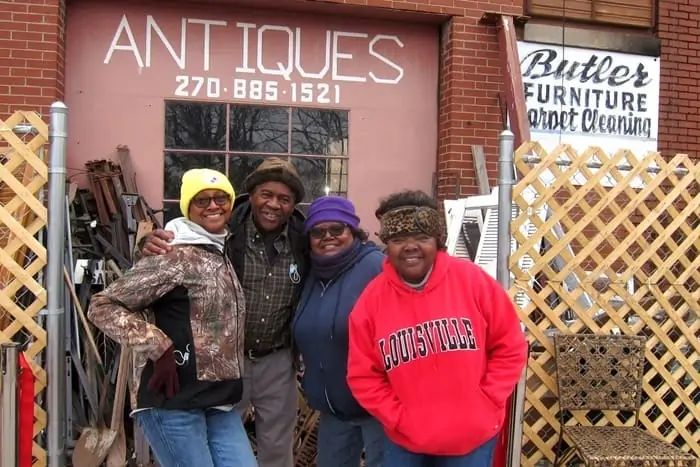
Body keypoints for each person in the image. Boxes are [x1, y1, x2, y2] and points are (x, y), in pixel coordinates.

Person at [140, 158, 308, 467]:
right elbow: (181, 238)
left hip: (277, 359)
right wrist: (147, 243)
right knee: (218, 437)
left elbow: (339, 247)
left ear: (294, 204)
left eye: (284, 199)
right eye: (266, 194)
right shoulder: (224, 231)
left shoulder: (303, 239)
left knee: (277, 445)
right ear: (251, 195)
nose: (273, 204)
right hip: (227, 359)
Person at [346, 190, 528, 467]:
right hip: (405, 441)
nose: (410, 247)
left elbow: (510, 347)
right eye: (398, 239)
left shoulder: (474, 283)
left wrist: (485, 400)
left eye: (421, 238)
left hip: (471, 439)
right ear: (387, 244)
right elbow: (364, 377)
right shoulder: (370, 303)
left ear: (438, 241)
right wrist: (398, 417)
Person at [88, 168, 257, 467]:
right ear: (187, 207)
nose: (213, 206)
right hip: (172, 400)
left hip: (217, 400)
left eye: (220, 198)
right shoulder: (172, 253)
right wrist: (157, 344)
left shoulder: (220, 250)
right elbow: (102, 305)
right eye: (202, 200)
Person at [292, 196, 386, 467]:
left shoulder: (376, 268)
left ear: (353, 231)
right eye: (318, 232)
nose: (327, 237)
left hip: (377, 409)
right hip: (334, 409)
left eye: (337, 229)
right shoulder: (311, 274)